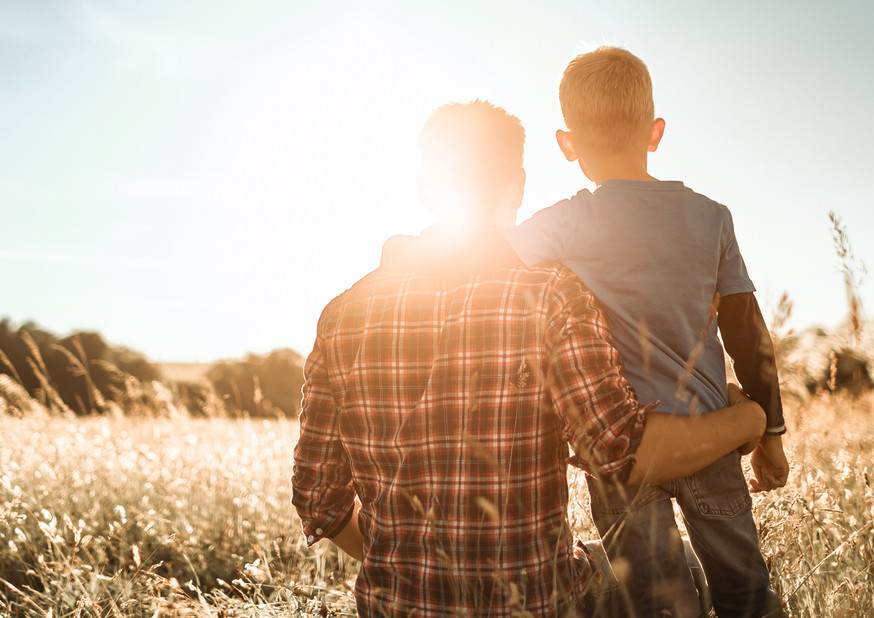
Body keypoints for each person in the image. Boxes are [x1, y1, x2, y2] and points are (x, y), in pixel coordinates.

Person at [291, 100, 767, 617]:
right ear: (518, 184)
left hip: (398, 604)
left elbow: (318, 498)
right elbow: (622, 452)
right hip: (537, 604)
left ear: (427, 190)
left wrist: (414, 564)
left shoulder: (341, 316)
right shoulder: (551, 295)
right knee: (680, 573)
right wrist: (748, 419)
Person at [505, 47, 789, 617]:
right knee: (745, 590)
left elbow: (488, 265)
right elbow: (747, 331)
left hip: (625, 449)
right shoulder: (712, 217)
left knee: (656, 602)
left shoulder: (566, 222)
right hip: (710, 433)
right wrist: (772, 433)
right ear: (655, 133)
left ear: (567, 145)